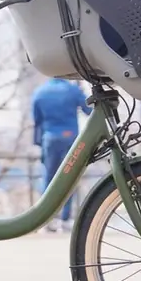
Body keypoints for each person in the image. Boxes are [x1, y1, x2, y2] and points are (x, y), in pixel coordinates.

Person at [32, 77, 92, 232]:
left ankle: (45, 219)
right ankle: (65, 220)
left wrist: (39, 142)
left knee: (48, 178)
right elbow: (89, 110)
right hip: (70, 137)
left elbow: (37, 121)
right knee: (69, 177)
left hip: (49, 138)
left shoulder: (40, 92)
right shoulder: (72, 90)